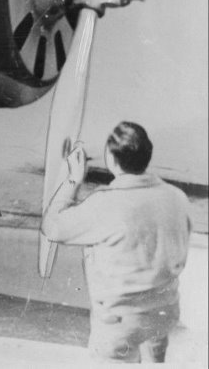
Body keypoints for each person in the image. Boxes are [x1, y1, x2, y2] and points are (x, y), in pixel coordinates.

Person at [42, 121, 191, 363]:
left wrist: (73, 179)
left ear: (111, 159)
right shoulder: (177, 197)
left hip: (121, 323)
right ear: (147, 155)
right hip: (165, 313)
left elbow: (52, 227)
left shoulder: (105, 204)